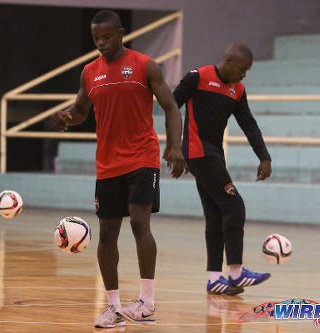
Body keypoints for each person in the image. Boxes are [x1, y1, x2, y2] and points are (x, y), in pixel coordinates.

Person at [49, 10, 185, 328]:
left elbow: (171, 107)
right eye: (96, 38)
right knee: (108, 234)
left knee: (140, 224)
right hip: (107, 163)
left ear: (121, 33)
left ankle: (147, 303)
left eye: (107, 37)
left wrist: (175, 146)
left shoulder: (144, 65)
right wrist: (67, 117)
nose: (101, 43)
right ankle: (113, 308)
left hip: (142, 157)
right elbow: (82, 109)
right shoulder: (89, 72)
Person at [172, 43, 272, 296]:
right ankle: (237, 273)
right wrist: (175, 148)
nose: (244, 75)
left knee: (216, 215)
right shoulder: (198, 77)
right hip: (198, 152)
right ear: (228, 61)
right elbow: (171, 106)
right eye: (243, 69)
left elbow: (249, 124)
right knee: (234, 206)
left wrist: (264, 157)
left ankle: (215, 279)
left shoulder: (237, 90)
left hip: (213, 156)